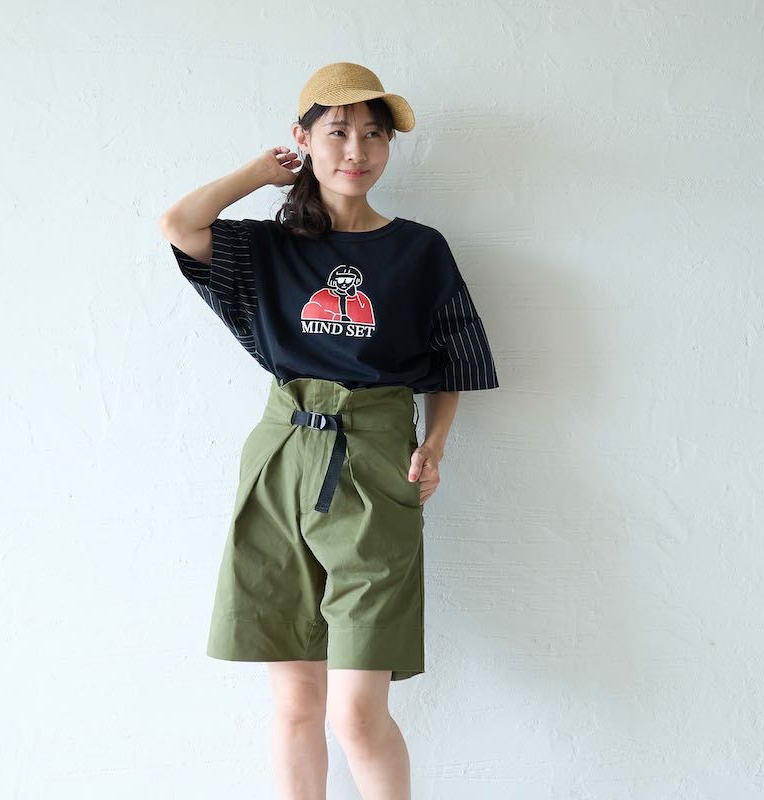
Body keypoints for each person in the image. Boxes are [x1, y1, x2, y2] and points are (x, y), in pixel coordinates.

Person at [158, 62, 499, 800]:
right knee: (295, 705)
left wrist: (434, 446)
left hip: (376, 461)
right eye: (338, 132)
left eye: (374, 135)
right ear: (304, 139)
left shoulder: (420, 250)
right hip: (282, 457)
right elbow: (180, 225)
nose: (357, 151)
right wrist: (260, 173)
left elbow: (453, 363)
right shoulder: (270, 248)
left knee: (356, 714)